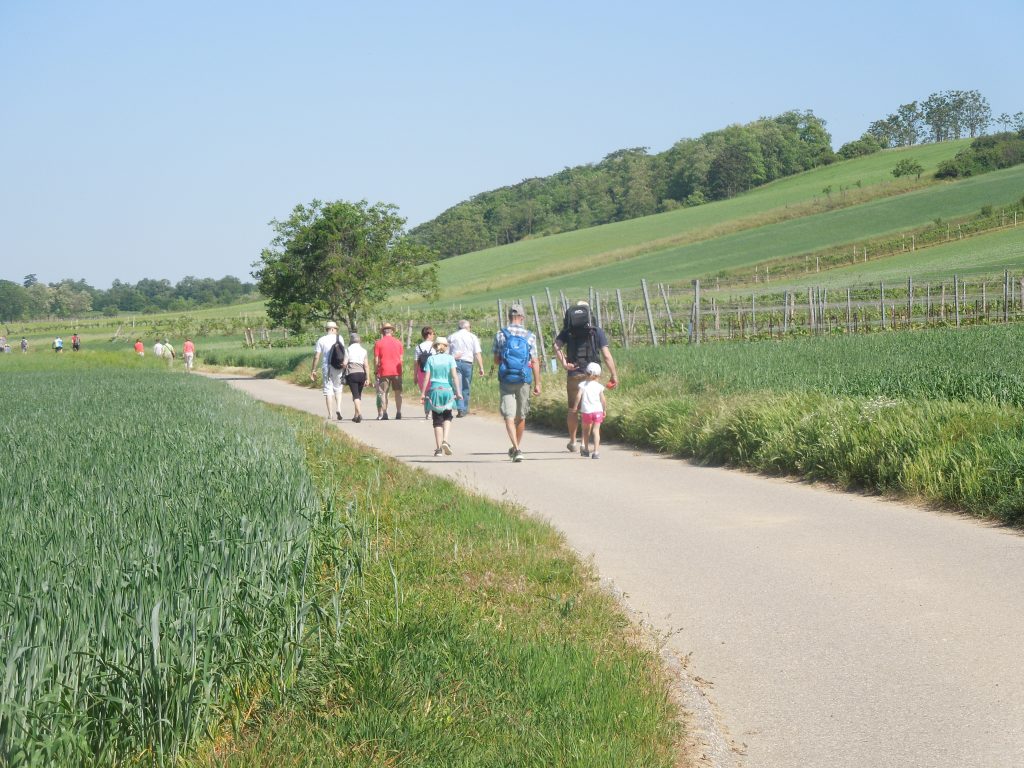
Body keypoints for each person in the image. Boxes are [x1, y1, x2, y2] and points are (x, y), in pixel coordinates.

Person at [553, 300, 619, 453]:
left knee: (573, 409)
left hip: (574, 373)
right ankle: (584, 442)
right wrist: (614, 374)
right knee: (590, 408)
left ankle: (572, 441)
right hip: (593, 375)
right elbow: (606, 355)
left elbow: (556, 346)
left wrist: (564, 363)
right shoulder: (596, 331)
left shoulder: (568, 330)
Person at [493, 304, 541, 463]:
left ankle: (516, 448)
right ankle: (516, 448)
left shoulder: (500, 334)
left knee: (509, 415)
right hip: (523, 379)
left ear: (509, 317)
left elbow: (496, 360)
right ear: (522, 317)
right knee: (521, 416)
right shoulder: (530, 336)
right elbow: (534, 361)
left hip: (506, 378)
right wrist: (538, 383)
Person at [420, 336, 463, 456]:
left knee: (437, 419)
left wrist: (423, 393)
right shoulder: (450, 358)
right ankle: (445, 440)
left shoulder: (431, 359)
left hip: (435, 391)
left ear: (435, 347)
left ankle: (438, 449)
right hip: (447, 390)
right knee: (447, 416)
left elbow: (426, 378)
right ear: (446, 347)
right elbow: (454, 376)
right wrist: (458, 392)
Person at [448, 319, 486, 417]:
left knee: (457, 385)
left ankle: (460, 408)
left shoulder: (452, 336)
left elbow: (448, 352)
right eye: (470, 327)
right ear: (467, 327)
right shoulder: (472, 337)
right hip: (467, 363)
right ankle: (464, 408)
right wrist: (481, 367)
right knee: (466, 386)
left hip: (455, 363)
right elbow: (477, 353)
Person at [309, 321, 346, 420]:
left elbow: (317, 356)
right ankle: (338, 408)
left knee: (328, 390)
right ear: (333, 329)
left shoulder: (321, 340)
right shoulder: (340, 338)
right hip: (338, 366)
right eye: (336, 329)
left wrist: (313, 370)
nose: (336, 331)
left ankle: (330, 414)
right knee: (338, 388)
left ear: (327, 329)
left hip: (327, 367)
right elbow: (343, 352)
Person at [571, 362, 608, 459]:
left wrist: (575, 407)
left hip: (586, 412)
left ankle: (586, 450)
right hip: (598, 411)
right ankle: (596, 452)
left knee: (586, 431)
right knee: (596, 431)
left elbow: (578, 396)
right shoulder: (599, 386)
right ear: (598, 375)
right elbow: (603, 400)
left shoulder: (582, 385)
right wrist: (604, 409)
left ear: (586, 373)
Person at [374, 322, 404, 420]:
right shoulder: (399, 343)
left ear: (383, 332)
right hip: (396, 371)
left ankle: (385, 413)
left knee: (383, 393)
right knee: (398, 392)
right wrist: (401, 371)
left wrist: (376, 371)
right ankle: (398, 412)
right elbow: (401, 359)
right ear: (392, 331)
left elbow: (376, 360)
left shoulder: (378, 343)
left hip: (384, 371)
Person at [344, 332, 371, 423]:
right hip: (362, 374)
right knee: (358, 395)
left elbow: (345, 363)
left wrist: (343, 366)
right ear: (359, 340)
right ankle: (355, 416)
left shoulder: (348, 350)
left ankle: (359, 414)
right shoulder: (363, 350)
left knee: (355, 395)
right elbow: (366, 365)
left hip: (352, 374)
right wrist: (368, 378)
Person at [413, 326, 436, 418]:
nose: (434, 335)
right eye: (433, 333)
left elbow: (416, 363)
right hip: (433, 372)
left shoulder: (418, 347)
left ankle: (427, 412)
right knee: (433, 391)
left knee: (425, 392)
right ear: (429, 334)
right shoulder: (435, 346)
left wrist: (415, 375)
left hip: (422, 372)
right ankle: (434, 410)